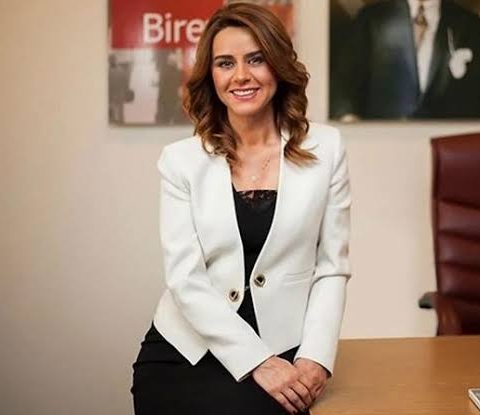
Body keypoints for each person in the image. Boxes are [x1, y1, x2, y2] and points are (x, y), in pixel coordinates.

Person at [131, 3, 351, 415]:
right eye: (225, 63)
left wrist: (316, 357)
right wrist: (257, 361)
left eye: (256, 59)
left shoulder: (327, 148)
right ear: (211, 75)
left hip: (283, 342)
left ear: (278, 66)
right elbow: (185, 278)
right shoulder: (180, 161)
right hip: (188, 349)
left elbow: (331, 266)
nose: (241, 76)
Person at [331, 0, 480, 120]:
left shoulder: (468, 25)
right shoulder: (371, 19)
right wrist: (350, 122)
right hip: (381, 143)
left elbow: (476, 98)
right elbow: (344, 86)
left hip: (447, 144)